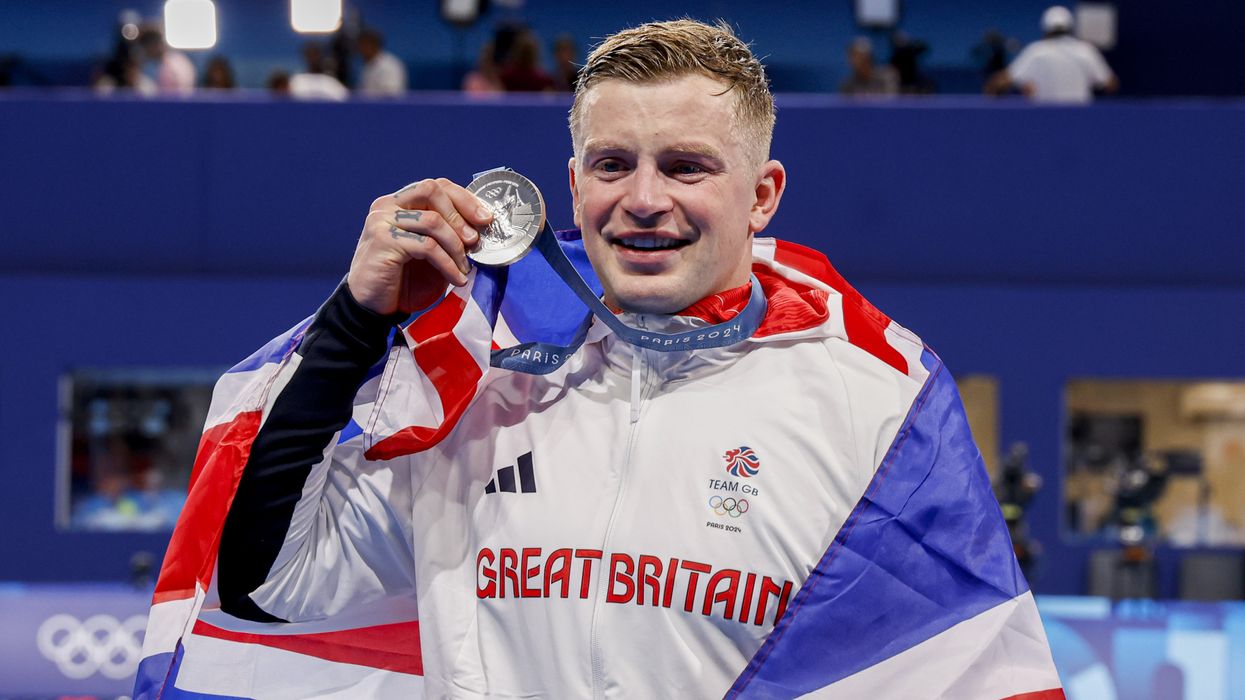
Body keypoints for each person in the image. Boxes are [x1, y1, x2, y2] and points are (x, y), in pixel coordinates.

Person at [135, 19, 1062, 699]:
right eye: (613, 165)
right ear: (573, 186)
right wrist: (356, 320)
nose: (644, 200)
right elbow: (268, 584)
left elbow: (963, 671)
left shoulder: (873, 405)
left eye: (687, 167)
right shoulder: (481, 378)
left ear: (762, 194)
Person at [987, 5, 1118, 103]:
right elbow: (1111, 84)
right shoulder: (1086, 50)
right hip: (1081, 119)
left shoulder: (1037, 51)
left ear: (1046, 29)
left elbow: (1000, 84)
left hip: (1046, 119)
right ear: (1070, 27)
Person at [138, 25, 196, 95]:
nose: (146, 52)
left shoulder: (174, 64)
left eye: (146, 48)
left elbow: (174, 95)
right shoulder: (171, 60)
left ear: (153, 46)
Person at [357, 28, 407, 96]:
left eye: (363, 45)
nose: (359, 49)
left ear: (373, 45)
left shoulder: (390, 65)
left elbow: (391, 95)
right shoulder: (366, 66)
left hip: (387, 106)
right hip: (367, 105)